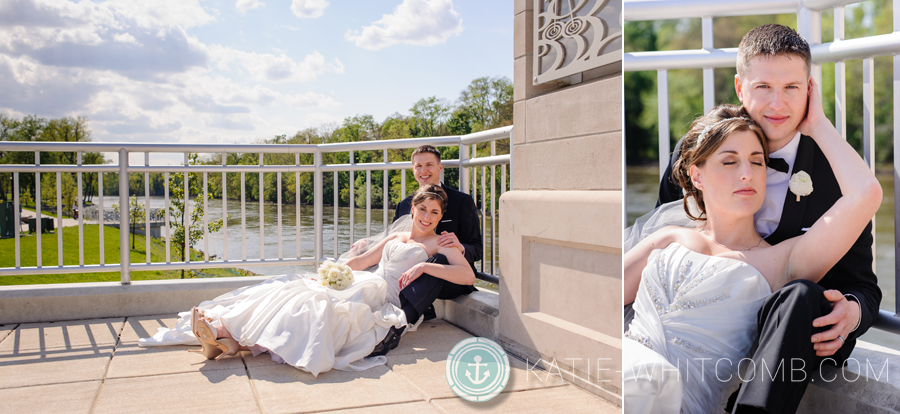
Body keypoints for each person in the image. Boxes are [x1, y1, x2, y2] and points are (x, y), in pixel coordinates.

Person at [644, 24, 882, 413]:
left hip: (791, 329)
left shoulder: (838, 172)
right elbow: (665, 241)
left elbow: (863, 285)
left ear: (809, 89)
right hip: (703, 318)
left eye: (791, 87)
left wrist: (853, 312)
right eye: (763, 88)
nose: (777, 104)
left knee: (803, 295)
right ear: (740, 88)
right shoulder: (700, 151)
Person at [139, 184, 475, 376]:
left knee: (315, 307)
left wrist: (428, 267)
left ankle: (227, 337)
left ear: (440, 216)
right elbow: (362, 261)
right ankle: (226, 335)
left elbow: (466, 274)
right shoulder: (396, 239)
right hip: (362, 280)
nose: (428, 218)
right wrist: (331, 268)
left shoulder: (439, 242)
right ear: (413, 209)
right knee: (293, 290)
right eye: (423, 210)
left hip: (382, 298)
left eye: (434, 213)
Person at [378, 145, 480, 344]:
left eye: (429, 165)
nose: (424, 171)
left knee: (439, 257)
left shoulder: (462, 201)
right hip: (408, 279)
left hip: (450, 278)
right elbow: (398, 244)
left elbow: (477, 248)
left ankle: (399, 325)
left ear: (440, 167)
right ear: (413, 170)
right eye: (418, 166)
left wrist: (460, 248)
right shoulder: (404, 205)